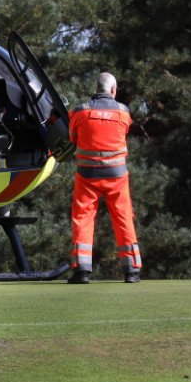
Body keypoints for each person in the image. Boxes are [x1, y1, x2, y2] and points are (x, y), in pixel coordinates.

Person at [67, 72, 141, 284]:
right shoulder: (123, 112)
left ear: (96, 88)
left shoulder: (80, 111)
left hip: (87, 175)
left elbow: (72, 138)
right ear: (113, 90)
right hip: (116, 175)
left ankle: (82, 271)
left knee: (82, 219)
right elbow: (124, 132)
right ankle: (132, 272)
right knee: (123, 218)